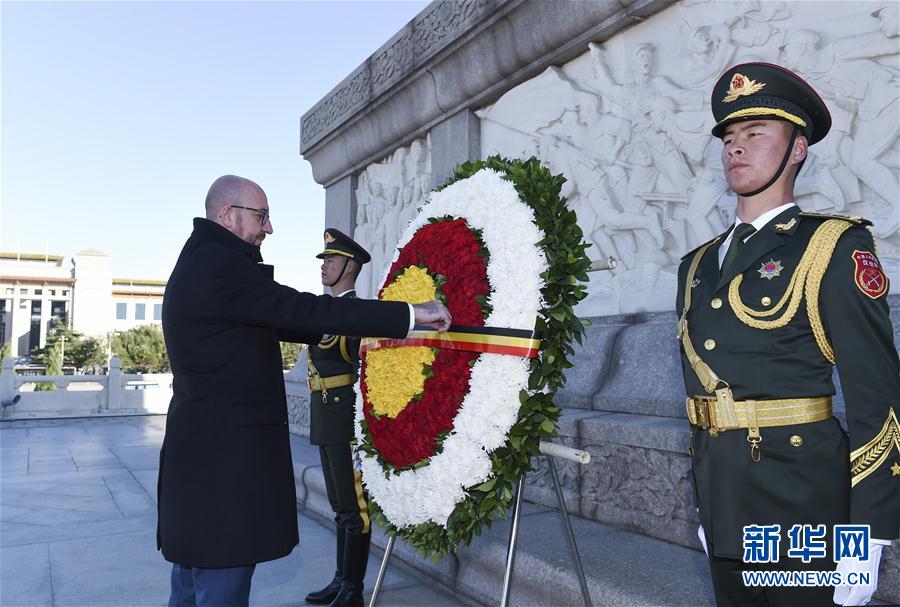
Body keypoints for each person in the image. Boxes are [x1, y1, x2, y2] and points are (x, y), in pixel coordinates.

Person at [157, 175, 451, 607]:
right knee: (219, 585)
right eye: (261, 216)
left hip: (202, 459)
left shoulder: (203, 259)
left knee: (191, 583)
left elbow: (292, 319)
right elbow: (300, 309)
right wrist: (410, 314)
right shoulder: (220, 265)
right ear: (227, 215)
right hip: (222, 467)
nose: (269, 228)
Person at [677, 64, 899, 606]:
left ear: (797, 149)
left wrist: (868, 537)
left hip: (805, 511)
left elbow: (877, 398)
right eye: (729, 137)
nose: (736, 146)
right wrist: (709, 507)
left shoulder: (832, 246)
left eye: (755, 133)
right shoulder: (696, 265)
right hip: (724, 508)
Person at [303, 229, 372, 607]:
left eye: (331, 260)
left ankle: (353, 590)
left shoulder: (356, 315)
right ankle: (341, 580)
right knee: (340, 507)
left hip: (346, 424)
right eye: (325, 260)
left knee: (355, 509)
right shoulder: (328, 312)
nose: (324, 266)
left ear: (350, 266)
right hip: (326, 421)